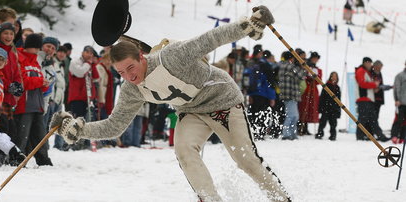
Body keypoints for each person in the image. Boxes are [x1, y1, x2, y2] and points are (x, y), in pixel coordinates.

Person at [50, 5, 290, 202]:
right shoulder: (131, 90)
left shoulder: (171, 57)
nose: (130, 76)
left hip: (222, 101)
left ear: (141, 57)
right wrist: (80, 130)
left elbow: (211, 39)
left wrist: (247, 26)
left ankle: (280, 198)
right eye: (122, 73)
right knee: (184, 152)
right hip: (192, 111)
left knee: (246, 161)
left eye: (131, 68)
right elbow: (115, 126)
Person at [15, 34, 53, 166]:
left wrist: (43, 84)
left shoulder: (35, 62)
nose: (37, 51)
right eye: (35, 48)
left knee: (40, 136)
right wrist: (39, 81)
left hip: (37, 104)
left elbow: (36, 83)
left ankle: (44, 161)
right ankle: (18, 160)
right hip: (24, 105)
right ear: (29, 46)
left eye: (38, 48)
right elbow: (23, 81)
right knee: (22, 136)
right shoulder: (20, 58)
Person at [0, 47, 26, 166]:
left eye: (1, 59)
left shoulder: (0, 80)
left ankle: (12, 154)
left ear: (6, 62)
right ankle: (13, 153)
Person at [354, 57, 389, 142]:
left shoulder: (366, 72)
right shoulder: (361, 71)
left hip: (368, 99)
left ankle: (380, 136)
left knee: (373, 119)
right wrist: (374, 85)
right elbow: (362, 84)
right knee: (363, 119)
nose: (371, 65)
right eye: (370, 63)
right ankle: (360, 136)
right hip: (363, 99)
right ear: (366, 63)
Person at [278, 51, 306, 140]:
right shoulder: (289, 66)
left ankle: (292, 133)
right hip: (291, 94)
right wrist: (303, 67)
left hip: (287, 93)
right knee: (292, 115)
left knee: (294, 115)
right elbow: (301, 76)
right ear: (291, 58)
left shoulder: (282, 66)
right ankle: (286, 134)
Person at [315, 72, 341, 141]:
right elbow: (322, 97)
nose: (334, 78)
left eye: (335, 76)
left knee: (333, 123)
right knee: (323, 122)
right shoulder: (326, 86)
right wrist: (321, 107)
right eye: (333, 76)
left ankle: (333, 135)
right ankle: (320, 133)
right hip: (326, 107)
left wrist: (338, 109)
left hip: (334, 108)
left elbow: (339, 99)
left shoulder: (337, 87)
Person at [392, 61, 406, 144]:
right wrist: (396, 99)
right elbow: (396, 88)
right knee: (399, 120)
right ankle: (394, 136)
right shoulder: (400, 75)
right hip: (401, 103)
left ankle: (402, 137)